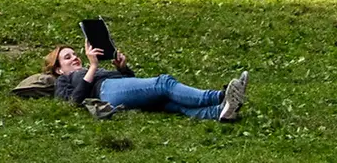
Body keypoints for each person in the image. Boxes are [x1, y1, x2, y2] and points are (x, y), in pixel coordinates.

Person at [43, 44, 248, 122]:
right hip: (105, 92)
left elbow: (129, 81)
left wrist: (122, 68)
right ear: (59, 68)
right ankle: (220, 96)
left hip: (118, 89)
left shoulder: (88, 69)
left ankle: (221, 111)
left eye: (74, 54)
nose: (75, 58)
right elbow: (74, 101)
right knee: (163, 84)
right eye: (67, 58)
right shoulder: (64, 79)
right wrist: (93, 67)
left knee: (172, 104)